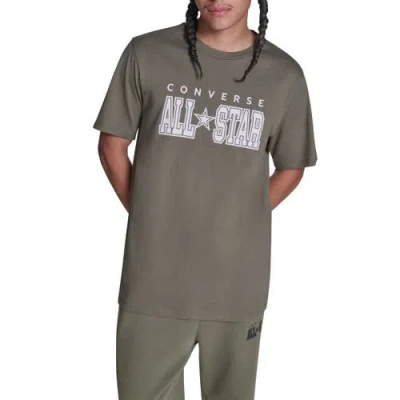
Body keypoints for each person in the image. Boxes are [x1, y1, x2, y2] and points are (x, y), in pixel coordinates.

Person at [92, 0, 318, 398]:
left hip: (236, 282)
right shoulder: (146, 54)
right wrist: (151, 215)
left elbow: (291, 167)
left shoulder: (284, 76)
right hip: (153, 281)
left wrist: (237, 218)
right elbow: (112, 144)